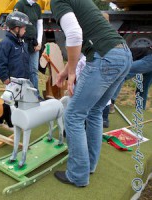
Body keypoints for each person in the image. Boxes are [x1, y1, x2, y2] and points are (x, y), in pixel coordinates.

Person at [51, 0, 132, 187]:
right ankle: (89, 165)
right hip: (123, 54)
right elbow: (85, 40)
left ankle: (78, 174)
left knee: (72, 115)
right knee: (95, 111)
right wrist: (66, 71)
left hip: (105, 57)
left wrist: (72, 72)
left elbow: (74, 34)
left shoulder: (58, 1)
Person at [14, 0, 43, 100]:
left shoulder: (37, 7)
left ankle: (35, 95)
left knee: (34, 70)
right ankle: (23, 96)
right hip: (23, 42)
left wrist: (39, 42)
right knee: (24, 70)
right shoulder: (20, 5)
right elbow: (15, 24)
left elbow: (40, 25)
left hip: (34, 42)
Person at [110, 46, 152, 112]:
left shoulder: (121, 54)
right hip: (148, 57)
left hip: (149, 59)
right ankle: (140, 110)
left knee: (122, 74)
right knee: (143, 87)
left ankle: (110, 104)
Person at [0, 11, 31, 85]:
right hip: (13, 84)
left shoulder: (21, 43)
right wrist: (5, 78)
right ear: (17, 29)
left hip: (24, 81)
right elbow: (0, 63)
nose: (25, 31)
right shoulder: (5, 44)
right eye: (24, 28)